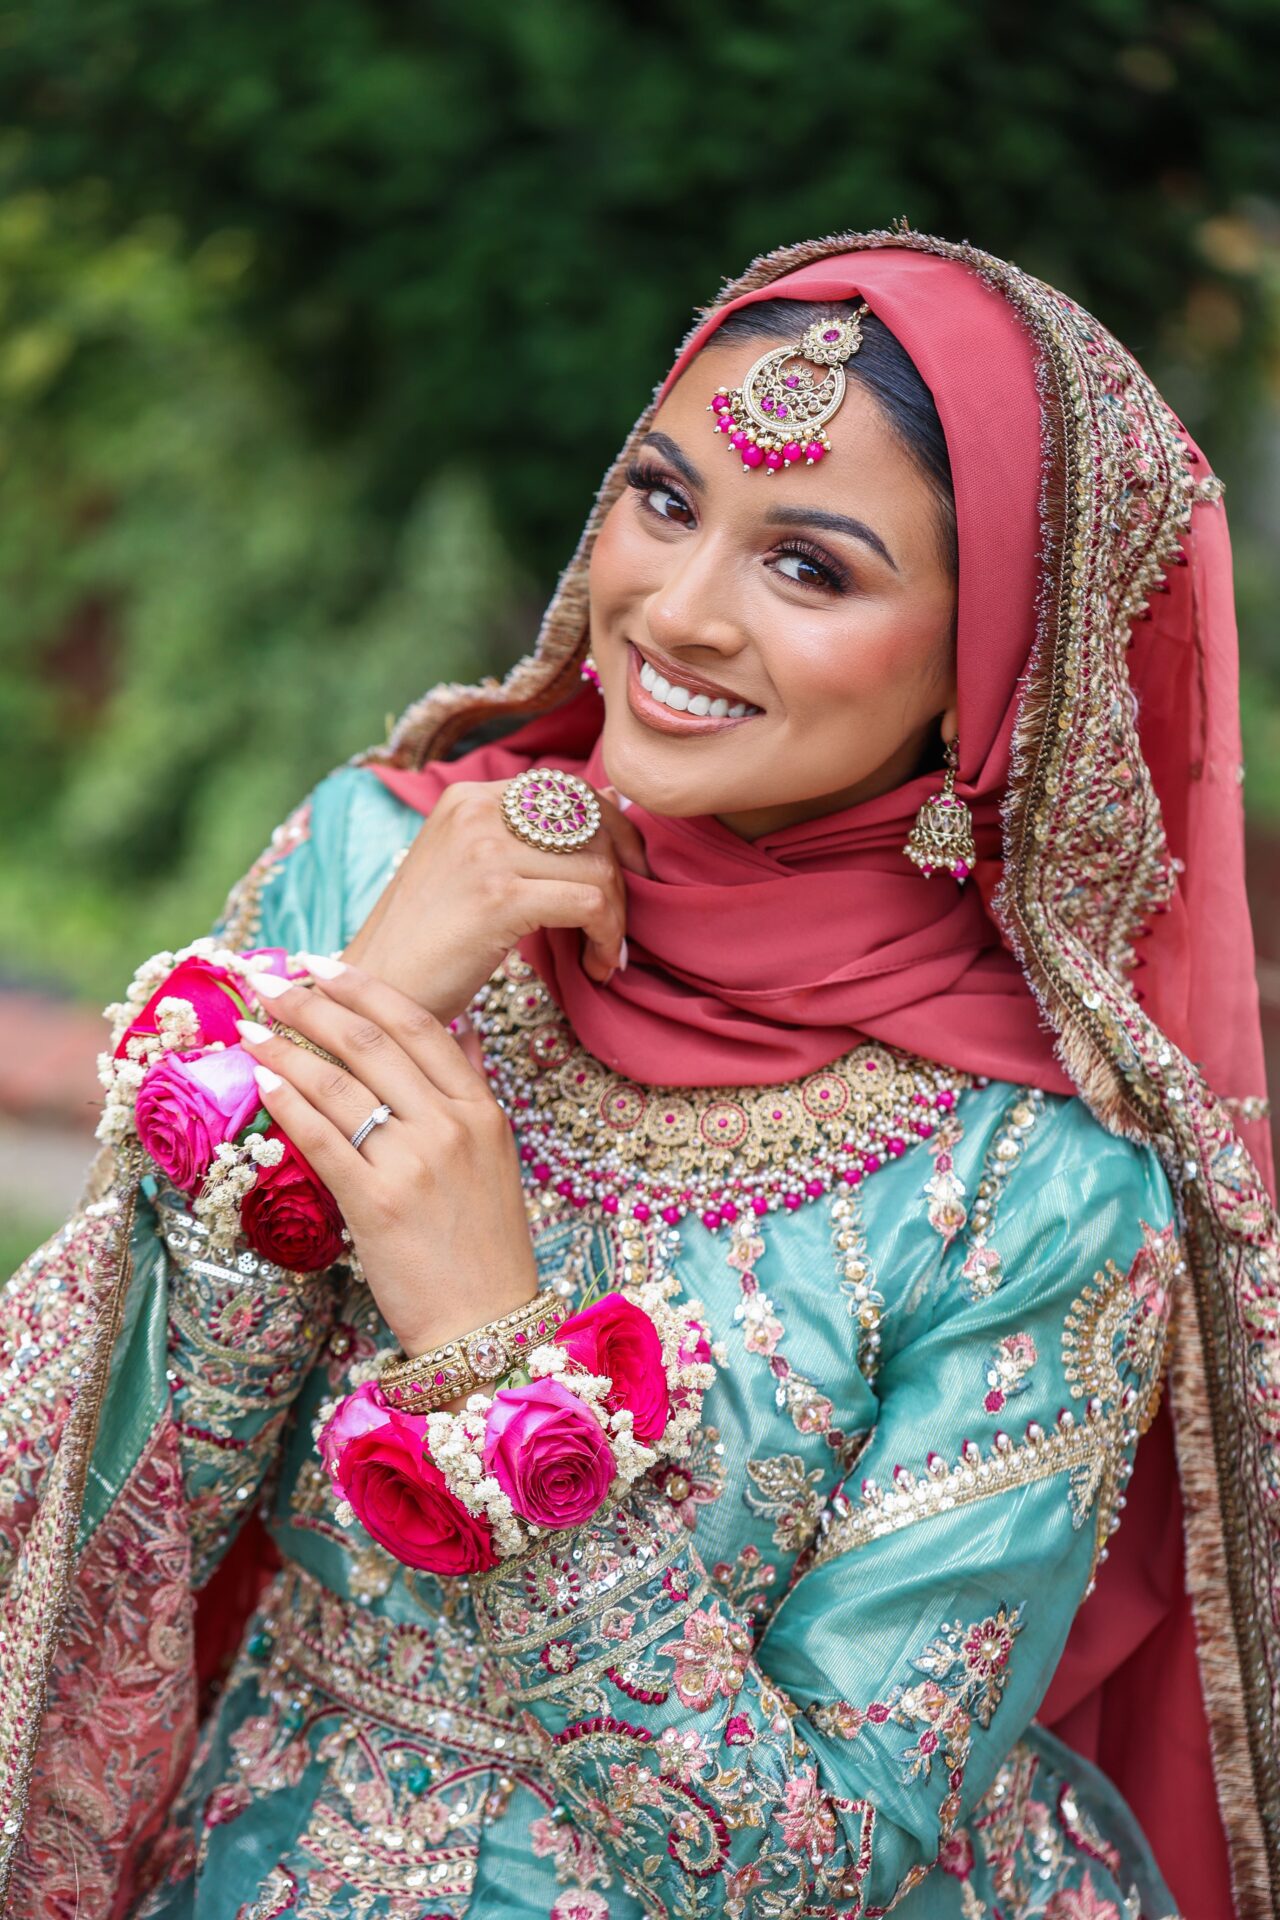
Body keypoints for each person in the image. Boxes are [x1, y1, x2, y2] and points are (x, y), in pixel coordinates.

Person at [1, 227, 1275, 1920]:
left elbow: (816, 1859)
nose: (675, 611)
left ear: (986, 684)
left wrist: (489, 1358)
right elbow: (105, 1536)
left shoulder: (1030, 1183)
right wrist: (366, 1007)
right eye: (665, 500)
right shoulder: (376, 865)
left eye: (810, 569)